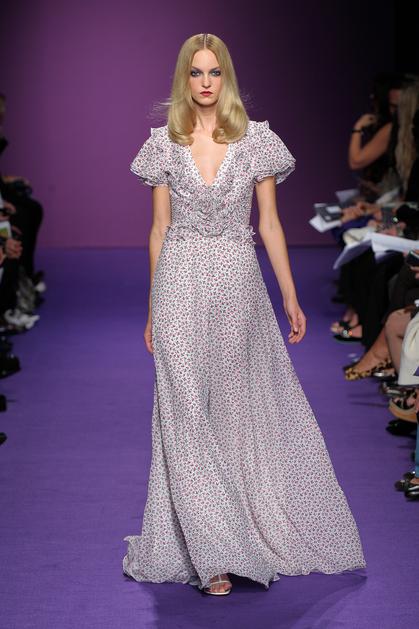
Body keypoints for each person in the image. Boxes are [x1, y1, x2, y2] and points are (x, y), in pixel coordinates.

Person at [122, 33, 366, 596]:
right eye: (196, 73)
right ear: (183, 78)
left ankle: (237, 530)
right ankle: (212, 553)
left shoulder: (258, 141)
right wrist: (153, 306)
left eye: (214, 72)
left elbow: (270, 224)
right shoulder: (163, 143)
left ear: (226, 77)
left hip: (237, 285)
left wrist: (290, 296)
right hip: (179, 281)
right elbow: (158, 229)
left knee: (230, 412)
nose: (205, 83)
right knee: (183, 409)